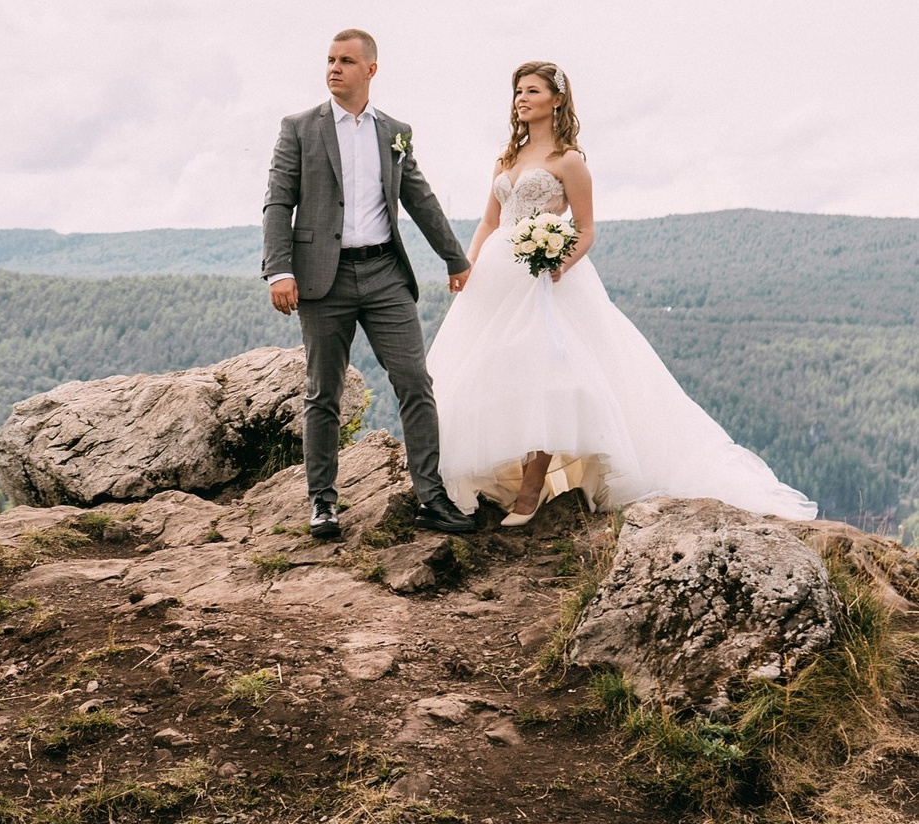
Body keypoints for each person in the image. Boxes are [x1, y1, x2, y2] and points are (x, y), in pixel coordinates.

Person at [429, 61, 816, 525]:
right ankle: (494, 477)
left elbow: (586, 229)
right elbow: (491, 222)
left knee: (551, 377)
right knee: (491, 371)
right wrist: (469, 266)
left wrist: (557, 263)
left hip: (547, 280)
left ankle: (532, 490)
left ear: (556, 99)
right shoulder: (506, 159)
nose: (521, 99)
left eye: (532, 90)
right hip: (497, 278)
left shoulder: (569, 161)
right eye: (517, 91)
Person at [262, 28, 477, 539]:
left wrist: (456, 259)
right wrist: (280, 269)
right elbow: (278, 201)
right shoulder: (299, 128)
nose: (334, 69)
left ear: (370, 70)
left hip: (385, 275)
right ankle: (323, 503)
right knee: (323, 393)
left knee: (415, 382)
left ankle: (431, 497)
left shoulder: (394, 132)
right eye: (330, 60)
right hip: (321, 279)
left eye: (346, 61)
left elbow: (419, 198)